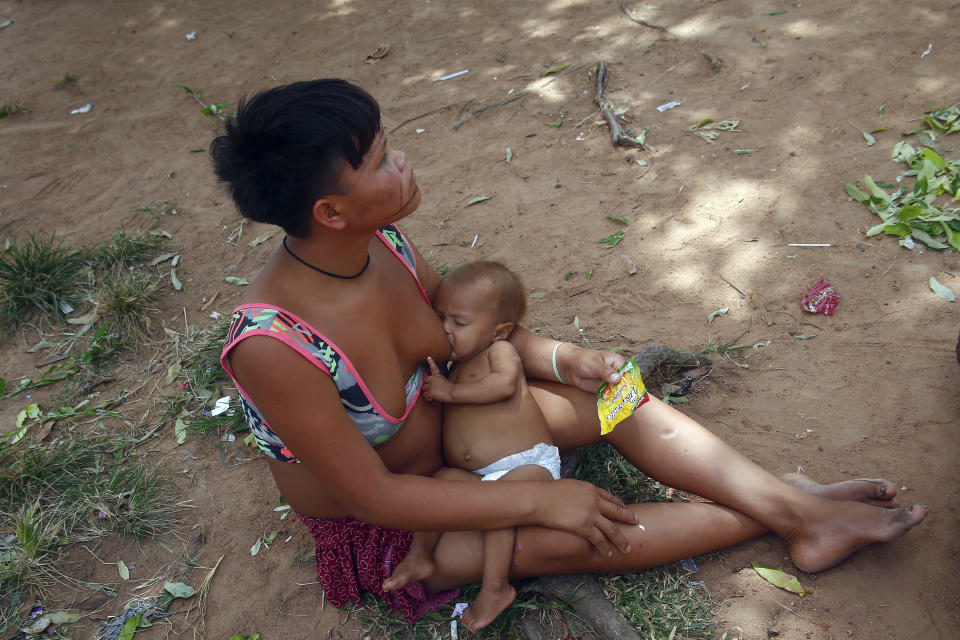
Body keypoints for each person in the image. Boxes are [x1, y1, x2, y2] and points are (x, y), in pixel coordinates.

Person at [211, 79, 927, 625]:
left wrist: (562, 360)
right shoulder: (274, 347)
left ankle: (791, 509)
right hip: (409, 521)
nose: (403, 161)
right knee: (557, 536)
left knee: (615, 396)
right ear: (329, 211)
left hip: (477, 430)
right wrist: (537, 500)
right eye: (380, 159)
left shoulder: (383, 244)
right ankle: (790, 506)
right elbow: (373, 495)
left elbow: (479, 337)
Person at [383, 260, 564, 631]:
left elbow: (502, 385)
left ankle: (495, 587)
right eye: (441, 318)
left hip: (527, 465)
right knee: (443, 482)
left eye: (459, 323)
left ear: (501, 331)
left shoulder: (498, 353)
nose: (446, 329)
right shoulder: (454, 364)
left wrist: (452, 393)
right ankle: (421, 556)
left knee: (499, 508)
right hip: (482, 476)